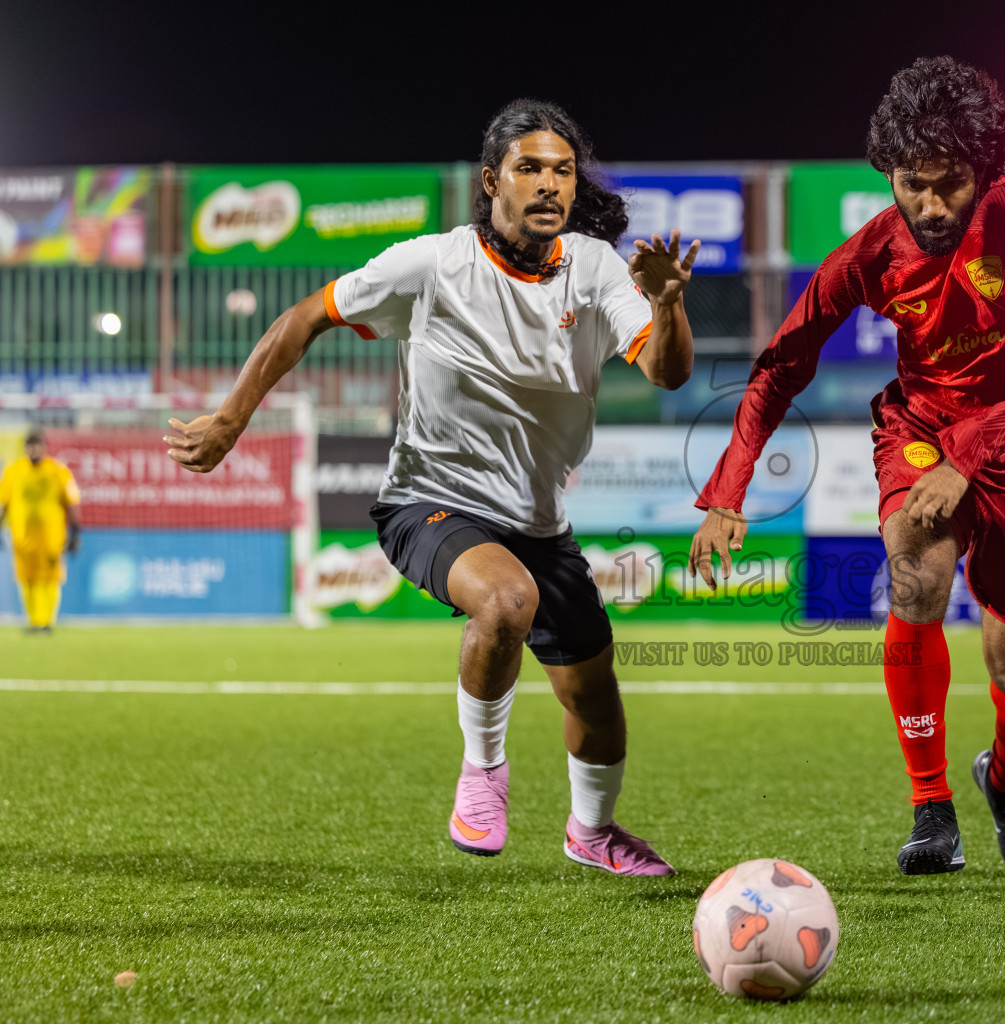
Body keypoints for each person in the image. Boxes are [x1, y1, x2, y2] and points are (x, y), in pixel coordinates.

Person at [164, 100, 698, 875]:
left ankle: (593, 832)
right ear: (491, 182)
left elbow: (667, 370)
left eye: (562, 170)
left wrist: (668, 304)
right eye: (529, 169)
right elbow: (301, 320)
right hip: (428, 500)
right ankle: (483, 770)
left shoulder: (594, 267)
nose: (550, 184)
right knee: (505, 602)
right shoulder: (433, 264)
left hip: (540, 524)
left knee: (596, 698)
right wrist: (229, 420)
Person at [689, 57, 1005, 879]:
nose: (928, 204)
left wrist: (973, 454)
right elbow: (781, 364)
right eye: (911, 184)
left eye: (948, 185)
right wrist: (728, 491)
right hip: (921, 429)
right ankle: (931, 809)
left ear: (985, 172)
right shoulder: (871, 253)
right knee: (915, 569)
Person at [0, 430, 82, 634]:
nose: (34, 449)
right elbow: (4, 502)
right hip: (21, 537)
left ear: (45, 448)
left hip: (51, 537)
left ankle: (46, 621)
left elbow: (71, 503)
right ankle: (33, 620)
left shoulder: (57, 470)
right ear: (25, 448)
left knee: (50, 578)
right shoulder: (14, 470)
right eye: (30, 445)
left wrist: (75, 533)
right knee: (25, 578)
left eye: (37, 445)